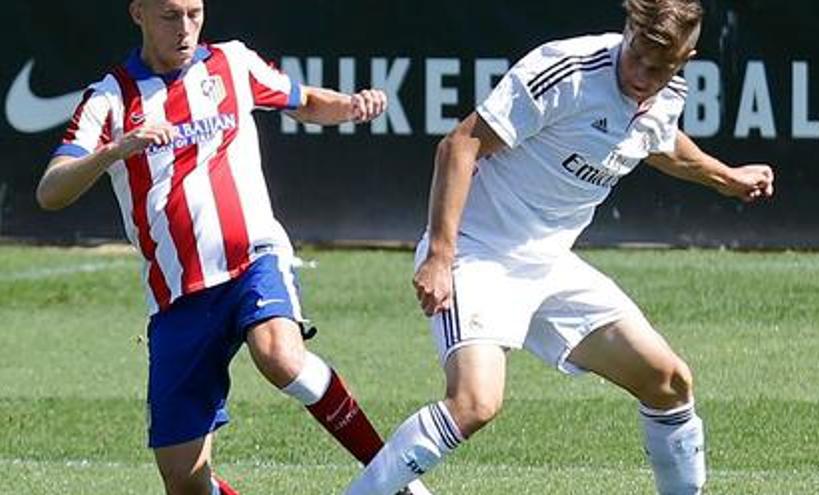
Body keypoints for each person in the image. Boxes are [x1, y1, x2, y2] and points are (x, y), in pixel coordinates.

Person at [344, 0, 774, 493]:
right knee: (475, 402)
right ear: (628, 29)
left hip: (550, 265)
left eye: (659, 67)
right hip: (478, 253)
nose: (641, 74)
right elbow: (459, 145)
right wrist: (441, 256)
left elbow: (661, 141)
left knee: (669, 382)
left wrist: (726, 177)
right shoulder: (566, 70)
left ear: (686, 58)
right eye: (636, 55)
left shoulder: (667, 92)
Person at [35, 1, 432, 494]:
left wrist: (349, 106)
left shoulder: (231, 62)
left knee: (279, 356)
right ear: (138, 12)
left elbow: (303, 99)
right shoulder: (111, 98)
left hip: (252, 259)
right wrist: (114, 150)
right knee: (184, 479)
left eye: (194, 13)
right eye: (169, 16)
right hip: (178, 297)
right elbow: (50, 191)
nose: (185, 28)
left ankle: (394, 477)